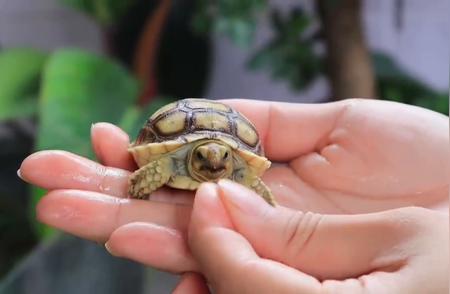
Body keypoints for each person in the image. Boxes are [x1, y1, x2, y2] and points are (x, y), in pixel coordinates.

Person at [19, 99, 449, 293]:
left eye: (220, 159)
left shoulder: (238, 166)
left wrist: (270, 211)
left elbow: (255, 182)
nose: (212, 164)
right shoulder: (175, 159)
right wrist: (142, 184)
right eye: (204, 158)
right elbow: (156, 166)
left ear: (229, 157)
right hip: (173, 149)